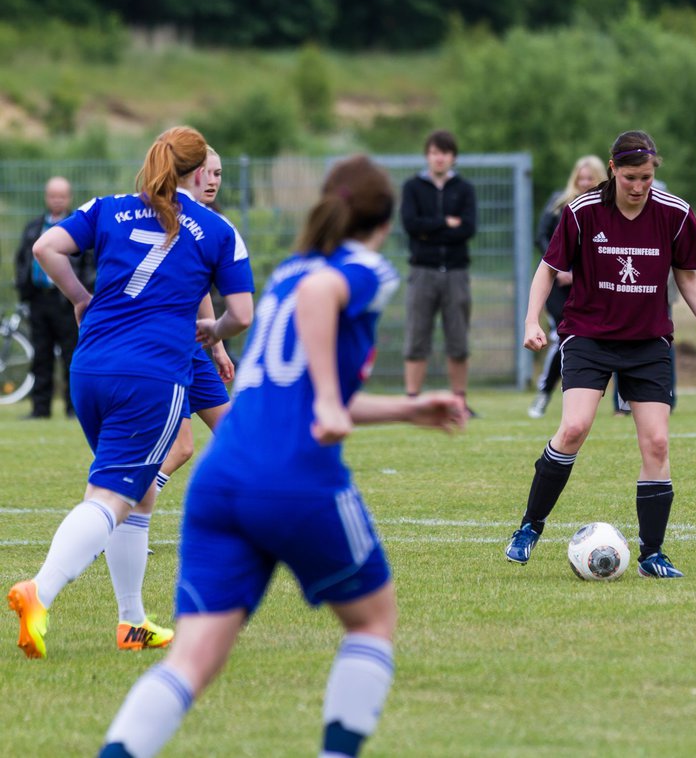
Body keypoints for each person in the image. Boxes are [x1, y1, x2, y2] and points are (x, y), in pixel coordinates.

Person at [96, 154, 465, 758]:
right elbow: (323, 319)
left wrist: (404, 407)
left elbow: (291, 385)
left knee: (192, 660)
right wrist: (328, 400)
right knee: (372, 624)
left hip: (223, 477)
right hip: (294, 479)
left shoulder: (292, 269)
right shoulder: (363, 268)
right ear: (382, 219)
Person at [8, 126, 255, 660]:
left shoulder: (111, 207)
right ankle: (40, 591)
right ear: (198, 172)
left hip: (90, 368)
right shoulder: (217, 230)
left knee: (139, 491)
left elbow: (46, 247)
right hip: (150, 376)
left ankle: (132, 622)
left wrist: (80, 297)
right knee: (111, 497)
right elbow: (243, 314)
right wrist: (214, 335)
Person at [505, 130, 696, 579]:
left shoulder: (675, 214)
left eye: (648, 177)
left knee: (657, 443)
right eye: (632, 177)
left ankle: (652, 554)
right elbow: (548, 269)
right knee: (575, 427)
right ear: (613, 169)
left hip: (647, 341)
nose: (640, 187)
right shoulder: (581, 212)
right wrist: (530, 320)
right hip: (588, 335)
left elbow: (688, 278)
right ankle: (530, 526)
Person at [154, 146, 238, 499]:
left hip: (193, 345)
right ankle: (117, 513)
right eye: (208, 172)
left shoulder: (206, 220)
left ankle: (255, 520)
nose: (213, 181)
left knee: (236, 433)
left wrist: (216, 346)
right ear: (188, 174)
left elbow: (199, 288)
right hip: (165, 345)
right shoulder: (167, 218)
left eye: (219, 174)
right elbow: (242, 313)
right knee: (180, 448)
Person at [400, 129, 478, 413]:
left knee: (458, 338)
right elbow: (411, 225)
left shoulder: (464, 189)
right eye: (434, 152)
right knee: (417, 335)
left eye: (444, 152)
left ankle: (460, 401)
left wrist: (430, 229)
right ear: (427, 156)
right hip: (422, 271)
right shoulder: (412, 188)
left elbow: (469, 228)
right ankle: (412, 401)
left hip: (456, 272)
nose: (439, 158)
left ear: (453, 157)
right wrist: (446, 223)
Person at [528, 155, 608, 418]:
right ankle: (544, 394)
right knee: (561, 337)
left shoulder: (607, 209)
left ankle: (618, 400)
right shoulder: (559, 204)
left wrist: (581, 274)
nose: (584, 183)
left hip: (590, 286)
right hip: (557, 286)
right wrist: (560, 268)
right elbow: (542, 237)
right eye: (580, 178)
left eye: (590, 178)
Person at [13, 176, 95, 419]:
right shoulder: (33, 228)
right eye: (53, 195)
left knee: (72, 354)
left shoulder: (78, 227)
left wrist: (82, 291)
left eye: (62, 195)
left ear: (68, 197)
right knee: (41, 355)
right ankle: (40, 409)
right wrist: (24, 290)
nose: (57, 200)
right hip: (39, 300)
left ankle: (73, 408)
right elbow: (23, 261)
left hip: (68, 301)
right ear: (47, 197)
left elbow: (89, 262)